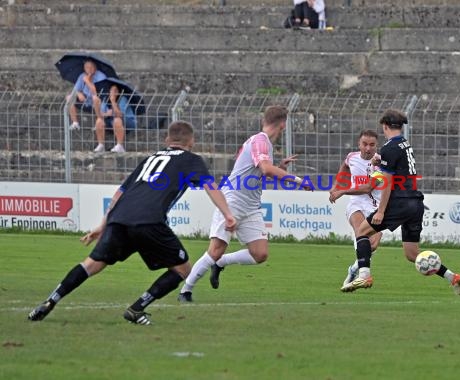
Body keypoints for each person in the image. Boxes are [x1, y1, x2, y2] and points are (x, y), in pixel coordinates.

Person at [28, 121, 237, 325]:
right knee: (183, 269)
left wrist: (103, 224)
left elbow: (120, 192)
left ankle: (50, 300)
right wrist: (227, 214)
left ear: (167, 139)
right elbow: (211, 186)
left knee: (91, 264)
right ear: (191, 141)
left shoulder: (150, 158)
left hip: (120, 217)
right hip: (150, 219)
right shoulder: (191, 159)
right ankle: (137, 308)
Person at [178, 106, 312, 302]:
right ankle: (185, 290)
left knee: (260, 254)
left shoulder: (263, 143)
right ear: (283, 123)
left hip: (251, 206)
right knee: (215, 249)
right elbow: (265, 170)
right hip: (232, 202)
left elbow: (256, 172)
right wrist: (299, 180)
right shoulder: (260, 140)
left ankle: (220, 263)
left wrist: (280, 168)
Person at [341, 109, 460, 296]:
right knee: (412, 254)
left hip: (399, 202)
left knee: (362, 231)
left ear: (384, 126)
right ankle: (452, 277)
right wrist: (379, 162)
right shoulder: (405, 145)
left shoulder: (389, 148)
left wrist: (381, 210)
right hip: (415, 204)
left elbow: (388, 182)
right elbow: (397, 167)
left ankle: (364, 274)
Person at [329, 129, 383, 287]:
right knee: (360, 232)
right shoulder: (351, 157)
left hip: (376, 207)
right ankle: (363, 276)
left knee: (372, 245)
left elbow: (368, 188)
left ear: (376, 145)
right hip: (356, 204)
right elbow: (344, 167)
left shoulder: (381, 164)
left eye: (372, 145)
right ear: (358, 144)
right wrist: (336, 185)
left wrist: (342, 190)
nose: (368, 148)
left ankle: (353, 269)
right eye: (364, 144)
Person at [94, 84, 137, 153]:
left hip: (127, 121)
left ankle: (120, 146)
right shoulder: (105, 99)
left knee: (117, 120)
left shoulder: (123, 99)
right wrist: (104, 112)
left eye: (115, 90)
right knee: (99, 121)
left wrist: (113, 101)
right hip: (111, 121)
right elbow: (100, 114)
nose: (113, 92)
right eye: (111, 90)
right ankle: (101, 145)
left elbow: (119, 114)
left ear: (118, 92)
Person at [66, 59, 106, 131]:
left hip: (98, 102)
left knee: (95, 99)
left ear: (95, 67)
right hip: (85, 101)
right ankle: (75, 123)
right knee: (69, 97)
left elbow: (95, 93)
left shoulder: (101, 77)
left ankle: (99, 123)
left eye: (91, 67)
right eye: (87, 67)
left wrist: (87, 81)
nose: (89, 69)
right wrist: (79, 93)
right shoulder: (82, 76)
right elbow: (75, 90)